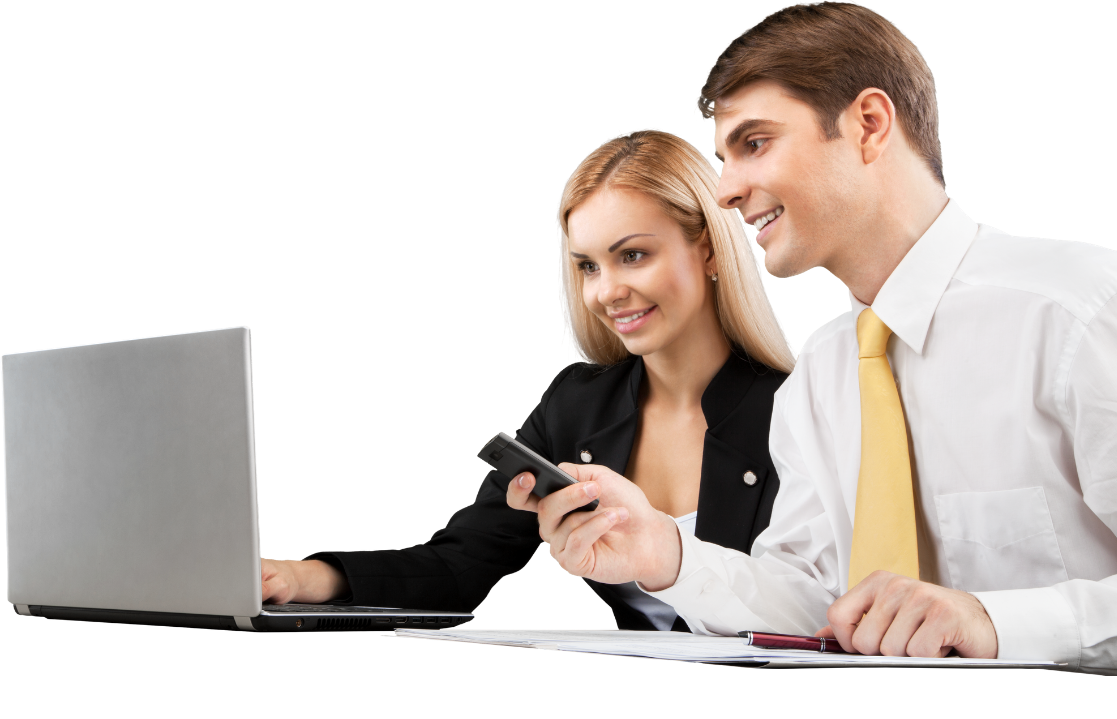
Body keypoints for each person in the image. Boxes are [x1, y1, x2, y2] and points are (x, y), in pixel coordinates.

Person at [516, 2, 1117, 674]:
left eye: (754, 144)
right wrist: (663, 552)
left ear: (869, 125)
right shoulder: (823, 372)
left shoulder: (1084, 313)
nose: (725, 191)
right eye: (724, 156)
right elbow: (817, 606)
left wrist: (997, 623)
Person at [259, 129, 797, 631]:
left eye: (632, 255)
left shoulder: (798, 406)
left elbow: (809, 601)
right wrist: (301, 578)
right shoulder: (578, 404)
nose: (606, 292)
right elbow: (461, 564)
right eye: (588, 266)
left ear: (707, 248)